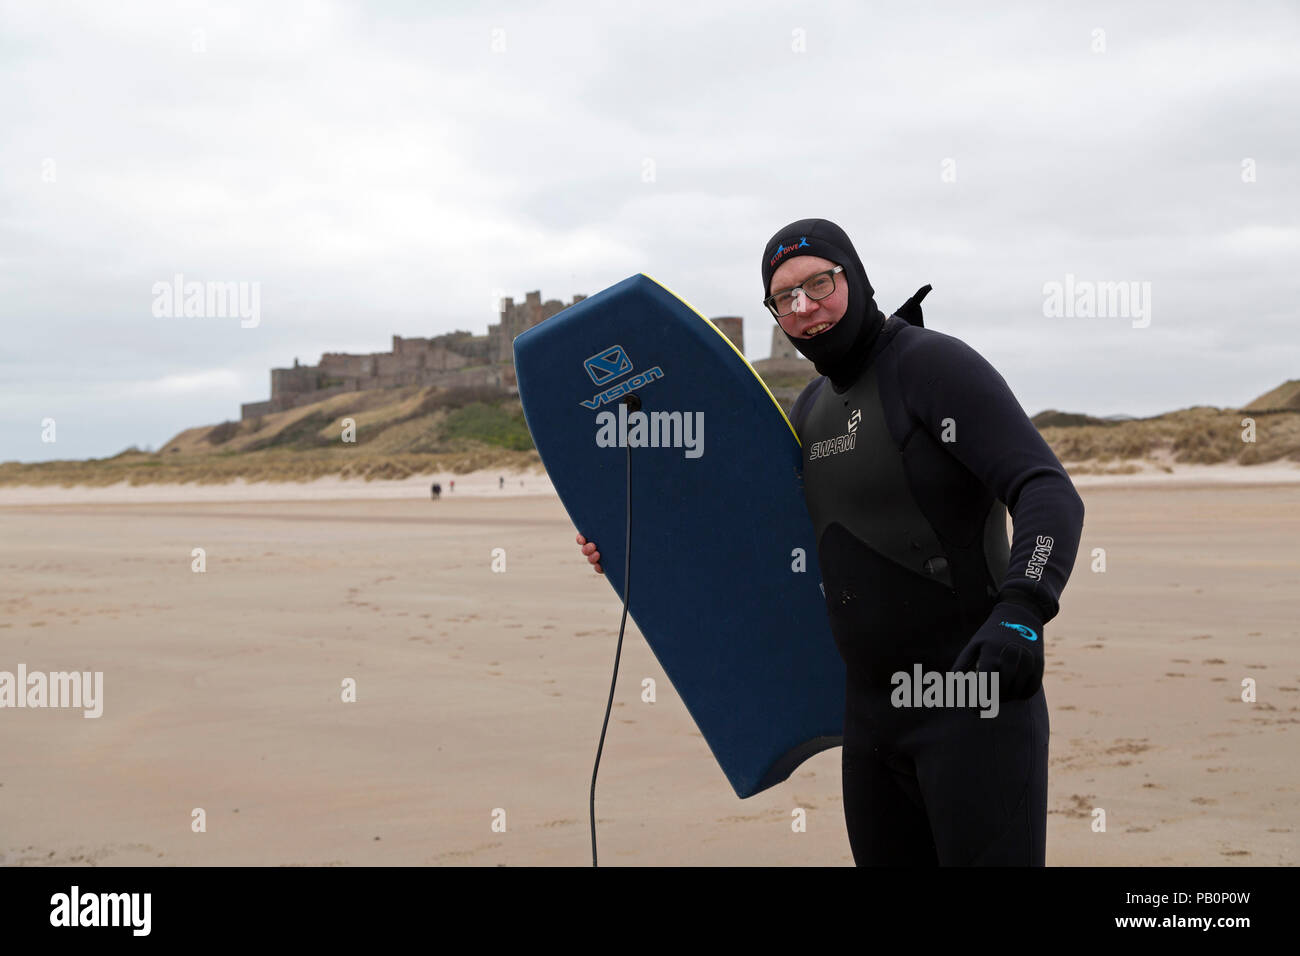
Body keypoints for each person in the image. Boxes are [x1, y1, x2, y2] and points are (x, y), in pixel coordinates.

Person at [577, 218, 1084, 866]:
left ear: (855, 277)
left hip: (971, 705)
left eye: (819, 283)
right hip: (871, 721)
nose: (804, 307)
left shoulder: (930, 367)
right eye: (784, 298)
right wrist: (630, 550)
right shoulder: (808, 408)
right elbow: (758, 546)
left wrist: (1023, 609)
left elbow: (1045, 488)